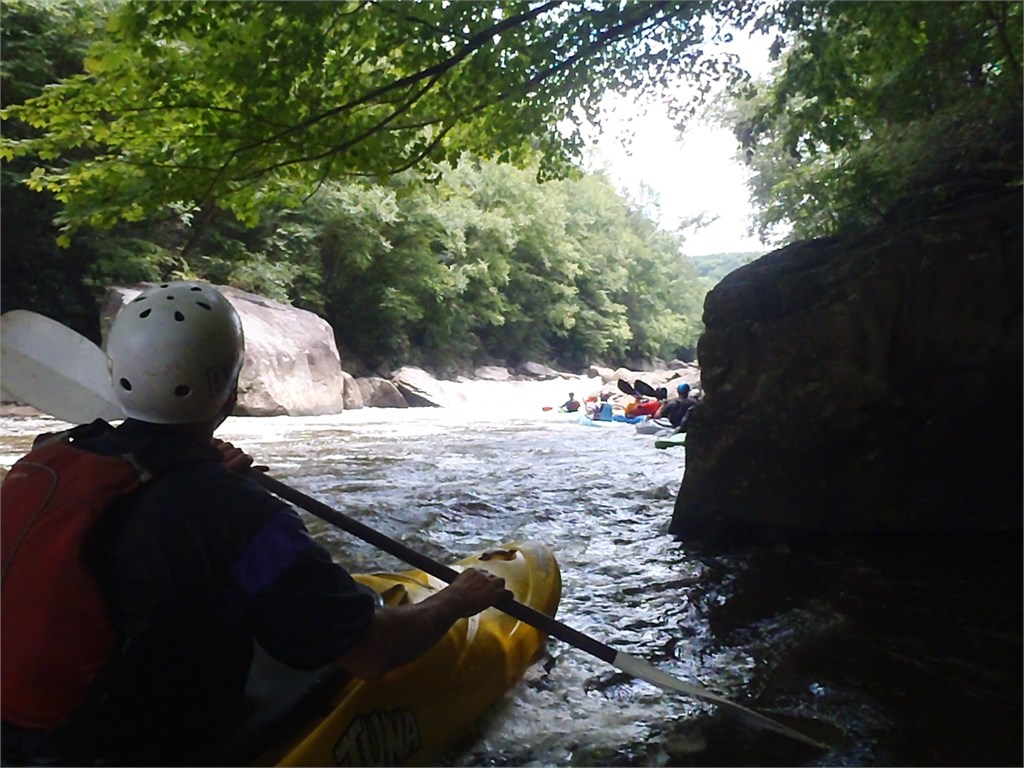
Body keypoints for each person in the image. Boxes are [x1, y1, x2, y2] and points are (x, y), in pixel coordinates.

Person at [0, 281, 512, 767]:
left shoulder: (51, 459)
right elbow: (371, 653)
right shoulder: (240, 515)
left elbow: (143, 526)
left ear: (116, 371)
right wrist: (457, 600)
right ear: (229, 391)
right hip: (128, 749)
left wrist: (199, 476)